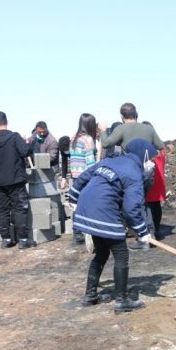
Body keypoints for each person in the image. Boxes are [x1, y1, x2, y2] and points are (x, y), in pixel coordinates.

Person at [70, 139, 157, 313]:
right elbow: (131, 208)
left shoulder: (110, 160)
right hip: (104, 210)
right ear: (144, 155)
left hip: (87, 208)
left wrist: (73, 198)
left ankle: (90, 296)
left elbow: (83, 178)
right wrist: (143, 232)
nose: (152, 163)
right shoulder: (134, 173)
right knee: (121, 254)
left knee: (102, 252)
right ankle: (122, 300)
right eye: (151, 159)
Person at [0, 111, 36, 249]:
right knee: (19, 208)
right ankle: (23, 239)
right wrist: (28, 143)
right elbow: (25, 152)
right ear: (6, 121)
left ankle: (6, 239)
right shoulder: (14, 137)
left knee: (3, 210)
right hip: (15, 179)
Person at [69, 113, 99, 244]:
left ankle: (77, 234)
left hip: (76, 177)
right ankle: (90, 232)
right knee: (89, 203)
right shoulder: (88, 139)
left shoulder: (74, 139)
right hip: (86, 177)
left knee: (77, 205)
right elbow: (90, 163)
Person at [99, 103, 164, 152]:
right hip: (145, 167)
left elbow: (105, 144)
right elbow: (161, 146)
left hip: (129, 167)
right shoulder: (149, 129)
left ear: (122, 117)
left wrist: (103, 130)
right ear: (135, 114)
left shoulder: (121, 128)